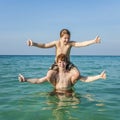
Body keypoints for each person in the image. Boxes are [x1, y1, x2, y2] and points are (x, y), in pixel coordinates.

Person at [27, 29, 101, 81]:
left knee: (77, 74)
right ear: (60, 37)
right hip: (57, 63)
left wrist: (93, 41)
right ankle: (56, 86)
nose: (67, 40)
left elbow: (81, 44)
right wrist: (33, 44)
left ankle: (70, 84)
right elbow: (44, 45)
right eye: (65, 38)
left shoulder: (70, 44)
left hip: (67, 63)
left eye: (68, 38)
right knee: (49, 76)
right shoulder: (56, 43)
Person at [18, 54, 106, 94]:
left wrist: (99, 76)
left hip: (69, 92)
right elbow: (39, 80)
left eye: (63, 62)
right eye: (60, 62)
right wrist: (25, 79)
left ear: (67, 63)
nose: (62, 64)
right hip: (56, 92)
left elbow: (86, 79)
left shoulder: (70, 74)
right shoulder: (55, 75)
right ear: (57, 63)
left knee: (75, 106)